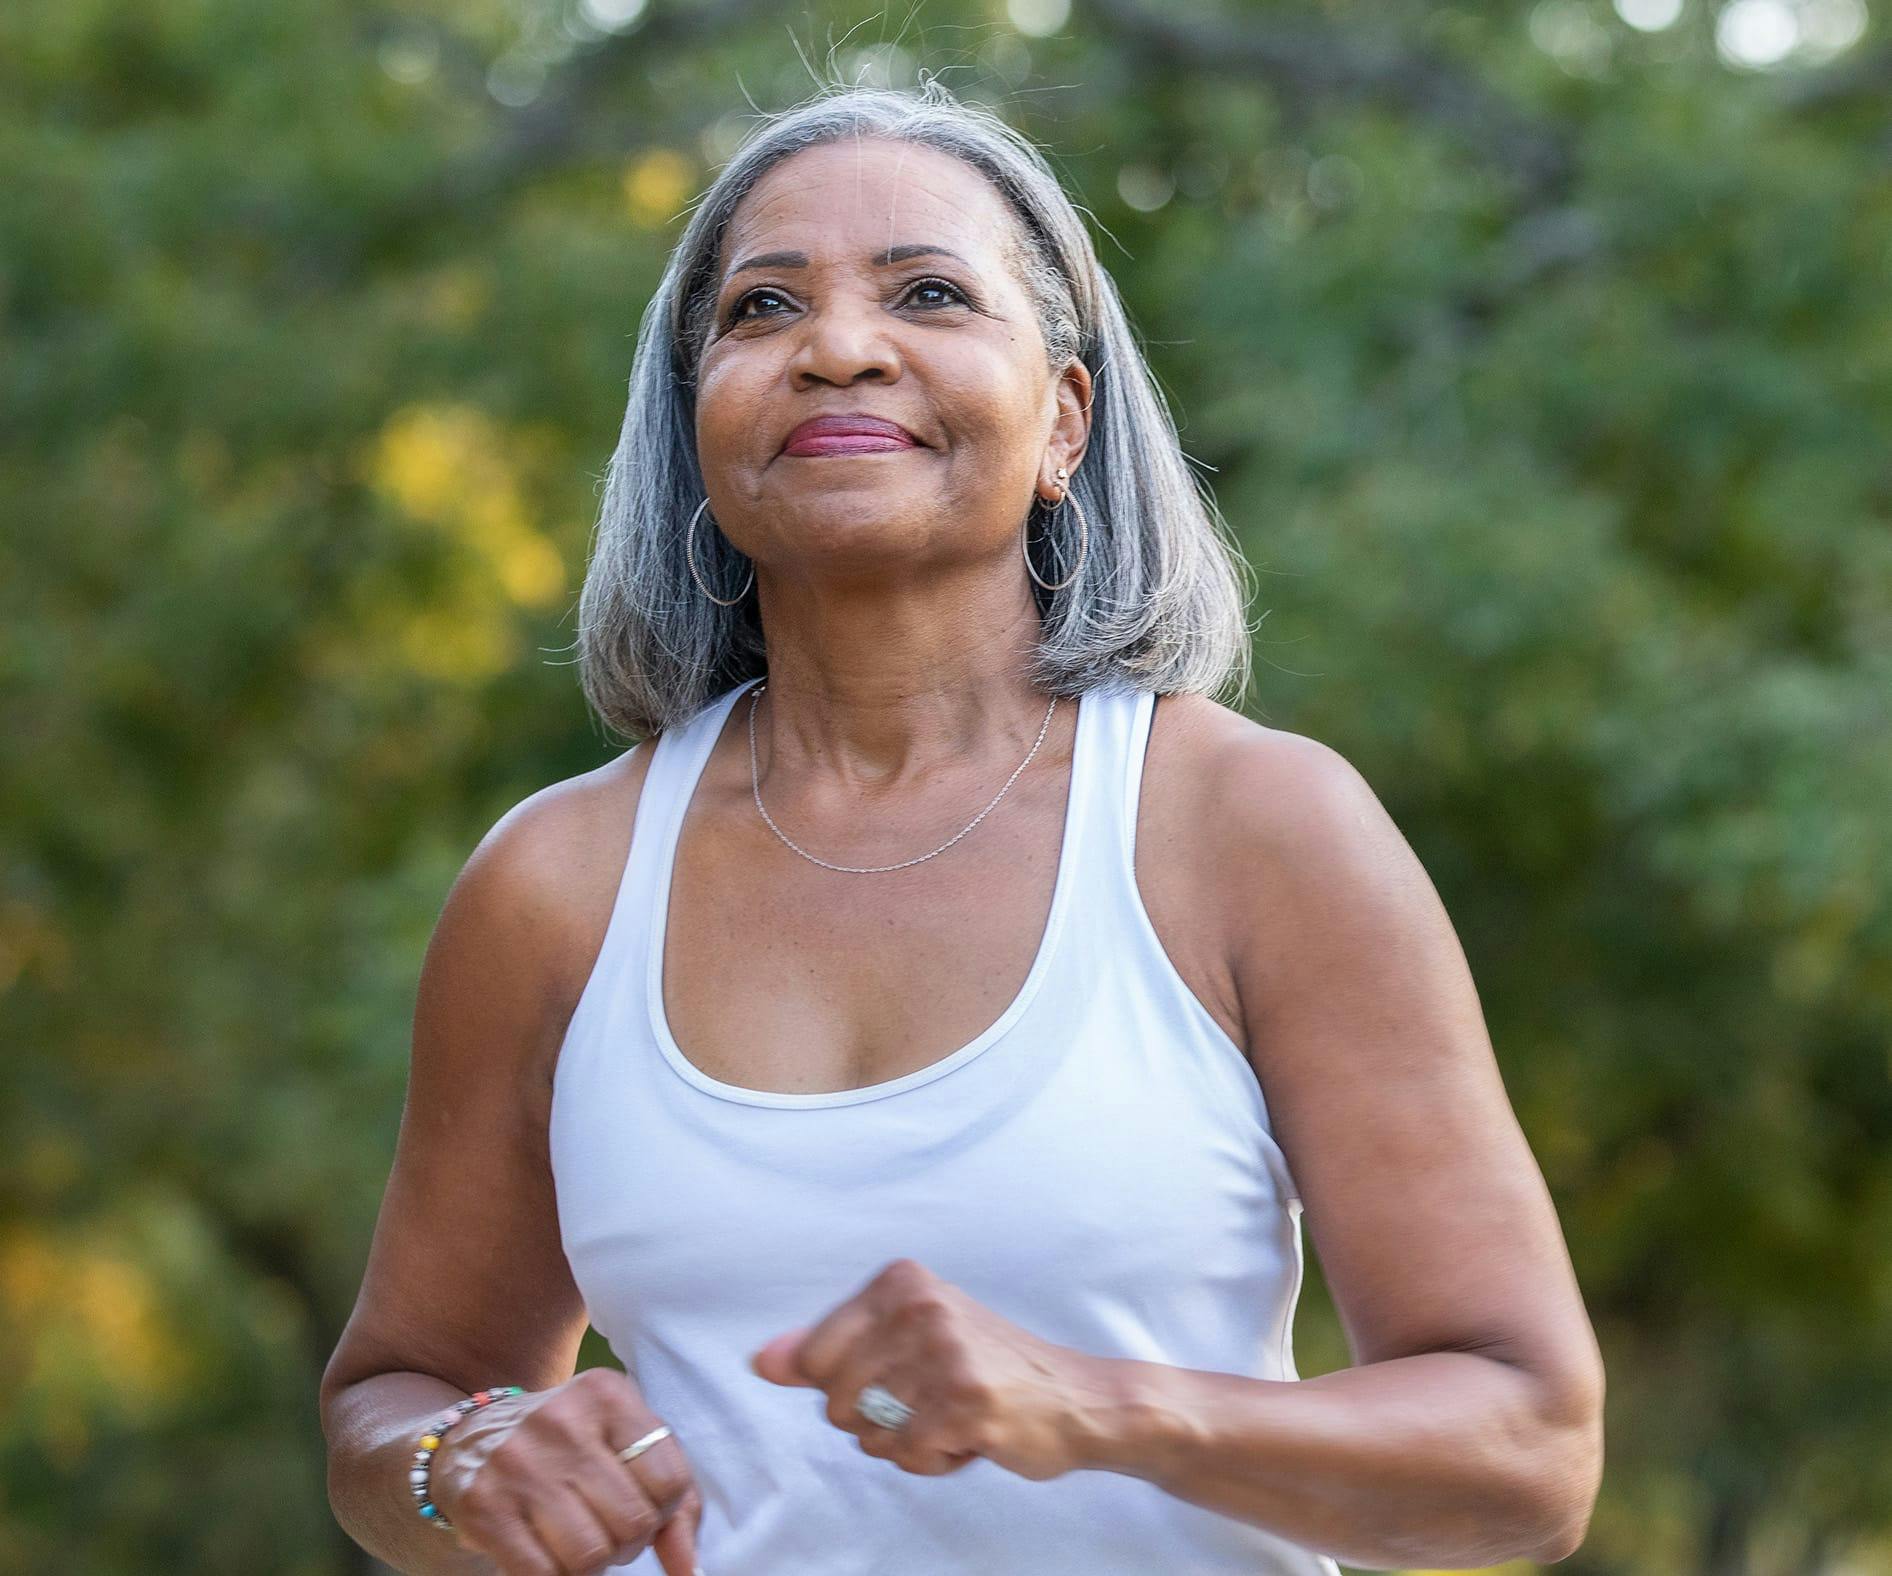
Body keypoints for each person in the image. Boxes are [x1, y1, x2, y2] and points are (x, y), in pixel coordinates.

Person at [319, 79, 1605, 1576]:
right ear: (696, 424)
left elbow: (1527, 1454)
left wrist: (1100, 1405)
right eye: (760, 310)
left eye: (929, 293)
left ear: (1064, 417)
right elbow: (388, 1400)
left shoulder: (1249, 827)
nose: (839, 346)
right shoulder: (556, 884)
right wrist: (457, 1463)